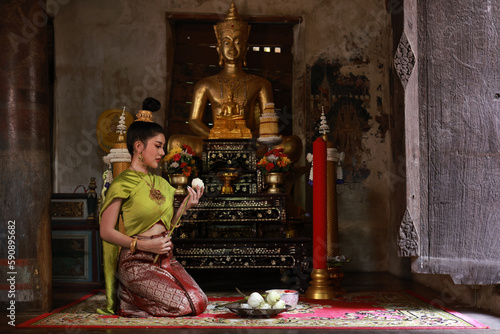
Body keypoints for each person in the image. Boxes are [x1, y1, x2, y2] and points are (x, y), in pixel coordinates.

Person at [98, 107, 207, 317]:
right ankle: (129, 299)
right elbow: (105, 231)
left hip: (165, 257)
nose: (162, 153)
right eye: (158, 146)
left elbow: (167, 225)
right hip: (136, 261)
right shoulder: (122, 183)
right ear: (139, 146)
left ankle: (134, 299)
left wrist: (185, 207)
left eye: (163, 147)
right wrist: (144, 245)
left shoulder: (162, 183)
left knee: (200, 300)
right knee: (186, 305)